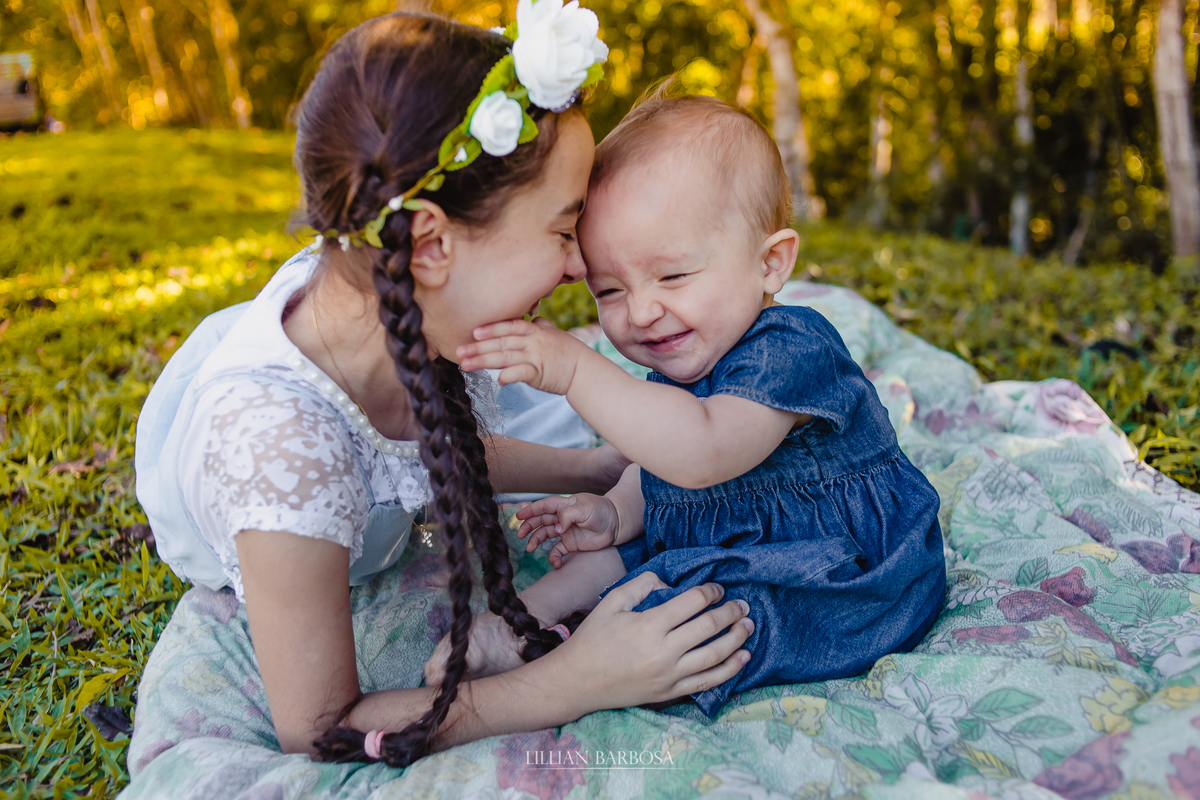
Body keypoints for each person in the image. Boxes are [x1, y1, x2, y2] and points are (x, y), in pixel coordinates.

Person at [133, 12, 755, 770]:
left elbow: (429, 449)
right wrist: (576, 679)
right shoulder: (283, 458)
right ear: (430, 245)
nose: (575, 269)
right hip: (285, 496)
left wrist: (593, 469)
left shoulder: (401, 298)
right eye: (564, 232)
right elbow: (320, 725)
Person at [451, 92, 947, 717]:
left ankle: (571, 661)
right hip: (732, 530)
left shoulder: (794, 348)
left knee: (702, 616)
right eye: (609, 289)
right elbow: (661, 471)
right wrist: (615, 512)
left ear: (770, 263)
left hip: (839, 568)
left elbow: (701, 453)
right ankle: (519, 624)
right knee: (621, 551)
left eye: (674, 276)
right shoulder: (687, 351)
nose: (641, 312)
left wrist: (577, 369)